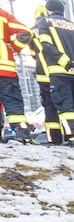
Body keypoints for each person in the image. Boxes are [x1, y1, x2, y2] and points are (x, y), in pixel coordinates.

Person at [37, 0, 74, 147]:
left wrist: (66, 63)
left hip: (59, 71)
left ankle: (73, 138)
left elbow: (46, 45)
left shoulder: (45, 22)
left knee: (65, 106)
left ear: (48, 10)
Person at [28, 5, 61, 145]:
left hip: (43, 74)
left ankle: (54, 138)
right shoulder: (53, 27)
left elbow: (33, 54)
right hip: (58, 72)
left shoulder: (31, 32)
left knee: (49, 107)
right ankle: (73, 136)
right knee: (65, 106)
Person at [0, 8, 32, 143]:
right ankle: (22, 133)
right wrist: (14, 47)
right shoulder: (3, 14)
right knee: (12, 101)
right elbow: (25, 33)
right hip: (5, 67)